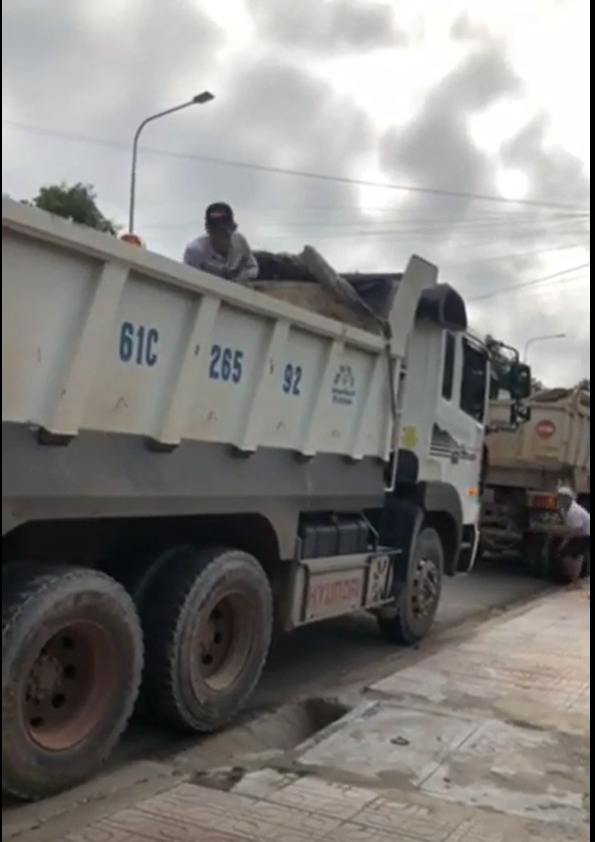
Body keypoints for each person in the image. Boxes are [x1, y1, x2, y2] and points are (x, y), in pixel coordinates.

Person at [183, 202, 259, 282]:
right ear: (208, 230)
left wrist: (240, 278)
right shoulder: (195, 251)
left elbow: (253, 267)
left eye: (226, 232)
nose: (222, 236)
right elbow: (188, 279)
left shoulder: (239, 241)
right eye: (217, 232)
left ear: (233, 229)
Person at [556, 486, 590, 580]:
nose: (560, 500)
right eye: (559, 497)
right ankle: (573, 575)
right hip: (579, 535)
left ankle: (575, 577)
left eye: (563, 497)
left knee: (570, 553)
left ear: (568, 499)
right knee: (564, 552)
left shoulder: (575, 511)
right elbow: (566, 524)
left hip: (586, 536)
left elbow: (574, 531)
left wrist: (563, 543)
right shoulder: (564, 509)